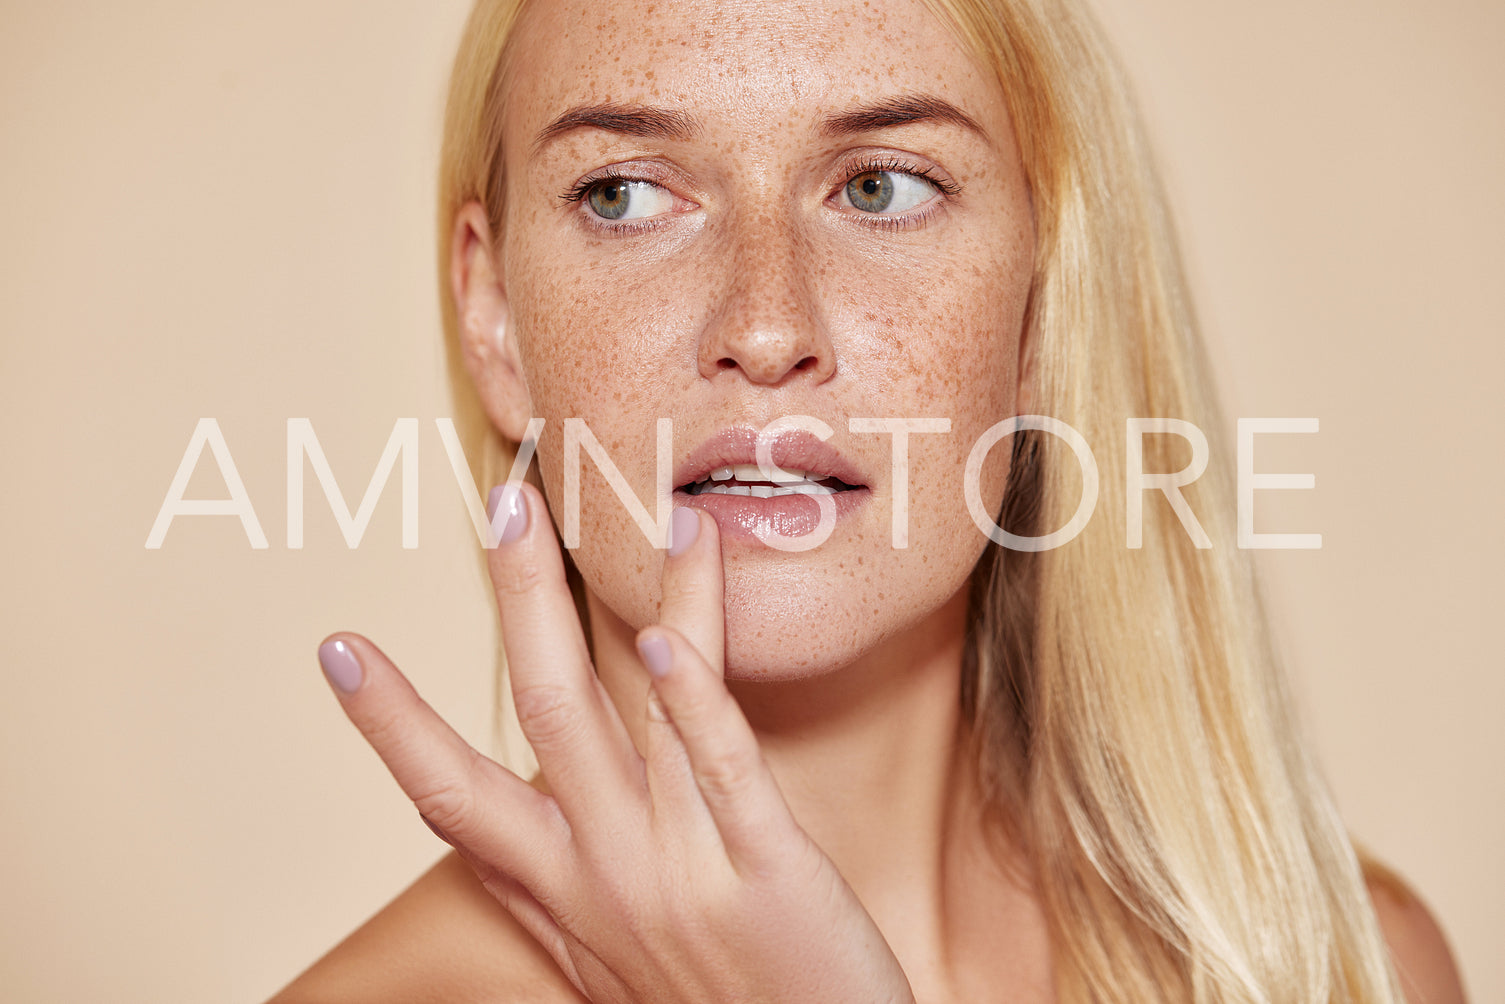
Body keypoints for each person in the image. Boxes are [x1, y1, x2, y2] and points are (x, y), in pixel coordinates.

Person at [269, 0, 1468, 1000]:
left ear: (1043, 309)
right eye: (624, 195)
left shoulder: (1341, 967)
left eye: (882, 187)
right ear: (497, 325)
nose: (764, 326)